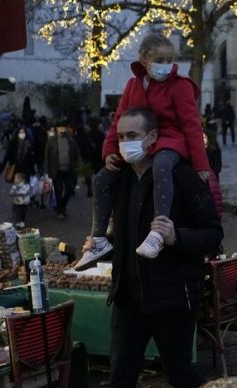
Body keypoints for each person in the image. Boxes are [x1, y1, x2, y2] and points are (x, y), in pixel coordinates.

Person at [98, 108, 223, 388]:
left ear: (152, 137)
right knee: (120, 380)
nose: (125, 143)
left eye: (133, 136)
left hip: (171, 299)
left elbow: (213, 234)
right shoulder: (120, 177)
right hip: (128, 299)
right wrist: (102, 240)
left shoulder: (180, 175)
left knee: (179, 374)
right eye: (121, 136)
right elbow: (121, 231)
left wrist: (176, 237)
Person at [77, 35, 211, 269]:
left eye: (170, 59)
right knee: (101, 179)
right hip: (140, 141)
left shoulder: (180, 85)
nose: (167, 65)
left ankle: (158, 232)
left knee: (161, 165)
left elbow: (191, 125)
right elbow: (119, 120)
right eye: (161, 59)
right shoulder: (133, 85)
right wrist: (110, 150)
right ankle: (98, 239)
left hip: (169, 139)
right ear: (144, 59)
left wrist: (201, 165)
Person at [43, 122, 79, 219]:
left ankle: (61, 206)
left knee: (69, 189)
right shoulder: (51, 141)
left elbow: (77, 154)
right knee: (58, 191)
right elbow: (47, 157)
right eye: (60, 127)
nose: (62, 129)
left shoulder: (71, 140)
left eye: (64, 127)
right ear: (57, 128)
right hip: (56, 170)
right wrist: (46, 171)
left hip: (69, 169)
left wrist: (79, 166)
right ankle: (61, 211)